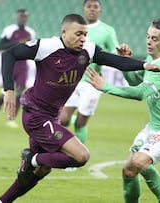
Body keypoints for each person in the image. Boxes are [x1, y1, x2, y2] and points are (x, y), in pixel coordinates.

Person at [0, 14, 160, 203]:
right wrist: (8, 90)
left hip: (52, 117)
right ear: (64, 32)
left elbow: (115, 61)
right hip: (36, 115)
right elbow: (9, 54)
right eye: (78, 34)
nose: (83, 38)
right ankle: (32, 159)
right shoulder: (47, 46)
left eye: (85, 34)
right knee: (81, 156)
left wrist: (145, 65)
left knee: (39, 171)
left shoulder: (88, 50)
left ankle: (2, 200)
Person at [87, 19, 160, 203]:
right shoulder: (152, 59)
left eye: (155, 39)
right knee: (128, 170)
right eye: (148, 37)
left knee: (140, 161)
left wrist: (105, 87)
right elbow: (136, 83)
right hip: (155, 126)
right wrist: (126, 62)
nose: (149, 42)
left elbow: (140, 93)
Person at [60, 0, 119, 147]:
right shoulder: (73, 27)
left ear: (100, 10)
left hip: (92, 82)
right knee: (63, 120)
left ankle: (75, 161)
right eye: (89, 6)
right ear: (83, 9)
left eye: (95, 7)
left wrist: (120, 52)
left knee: (80, 123)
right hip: (72, 79)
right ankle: (63, 150)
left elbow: (114, 51)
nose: (92, 9)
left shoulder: (107, 30)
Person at [0, 8, 36, 128]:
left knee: (20, 93)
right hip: (11, 65)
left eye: (25, 16)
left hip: (23, 66)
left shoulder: (31, 33)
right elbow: (0, 45)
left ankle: (11, 119)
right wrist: (16, 44)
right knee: (5, 92)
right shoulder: (9, 30)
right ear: (17, 17)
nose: (23, 18)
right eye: (21, 16)